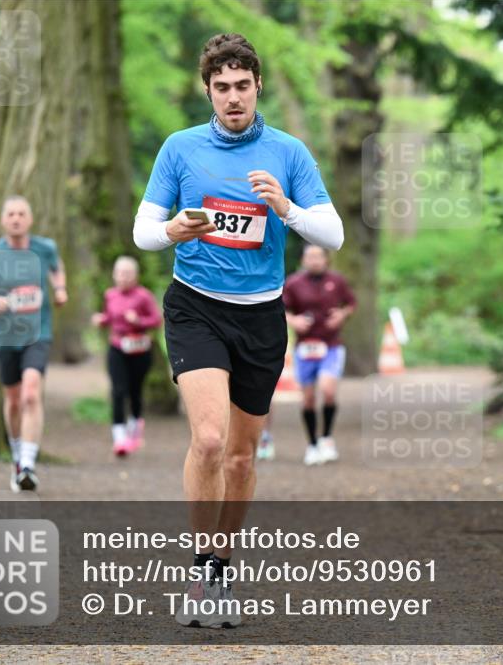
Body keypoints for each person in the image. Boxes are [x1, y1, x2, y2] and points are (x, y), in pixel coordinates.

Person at [133, 33, 343, 629]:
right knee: (207, 440)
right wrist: (173, 230)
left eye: (242, 86)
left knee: (242, 458)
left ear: (258, 88)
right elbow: (142, 231)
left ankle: (224, 566)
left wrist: (287, 208)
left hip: (260, 316)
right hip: (195, 306)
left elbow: (333, 236)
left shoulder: (288, 153)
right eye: (221, 87)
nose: (232, 97)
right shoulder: (179, 149)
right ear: (208, 91)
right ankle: (202, 573)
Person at [0, 195, 67, 492]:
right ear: (2, 220)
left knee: (31, 394)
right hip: (7, 336)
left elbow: (57, 267)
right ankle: (16, 454)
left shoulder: (45, 248)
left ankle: (28, 464)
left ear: (30, 219)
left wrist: (60, 289)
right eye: (10, 214)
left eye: (21, 213)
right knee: (12, 401)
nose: (16, 218)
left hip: (39, 333)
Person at [283, 245, 356, 466]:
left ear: (326, 259)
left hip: (331, 344)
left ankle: (327, 438)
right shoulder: (294, 283)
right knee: (308, 398)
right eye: (310, 257)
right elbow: (281, 308)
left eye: (318, 257)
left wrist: (342, 315)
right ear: (303, 260)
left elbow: (351, 303)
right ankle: (312, 444)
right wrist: (293, 321)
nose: (314, 261)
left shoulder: (337, 281)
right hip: (305, 348)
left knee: (328, 390)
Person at [91, 256, 162, 456]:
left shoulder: (144, 296)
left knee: (135, 391)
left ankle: (135, 427)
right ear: (114, 275)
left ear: (136, 276)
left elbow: (156, 320)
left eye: (128, 274)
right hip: (117, 347)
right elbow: (109, 317)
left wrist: (138, 320)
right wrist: (101, 320)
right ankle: (119, 436)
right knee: (118, 390)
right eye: (120, 273)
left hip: (140, 349)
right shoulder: (110, 295)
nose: (123, 278)